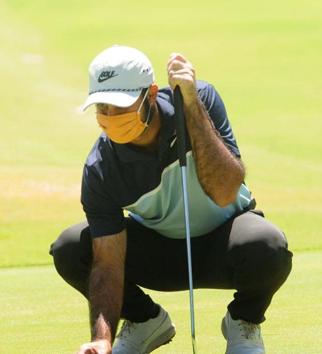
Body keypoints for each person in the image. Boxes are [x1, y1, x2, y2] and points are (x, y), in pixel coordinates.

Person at [50, 45, 293, 354]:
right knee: (71, 247)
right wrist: (102, 338)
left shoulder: (199, 100)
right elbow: (108, 263)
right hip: (161, 251)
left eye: (120, 107)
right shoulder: (101, 168)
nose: (110, 118)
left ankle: (243, 324)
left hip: (225, 241)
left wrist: (190, 105)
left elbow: (225, 192)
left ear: (151, 94)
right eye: (102, 108)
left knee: (267, 245)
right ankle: (144, 321)